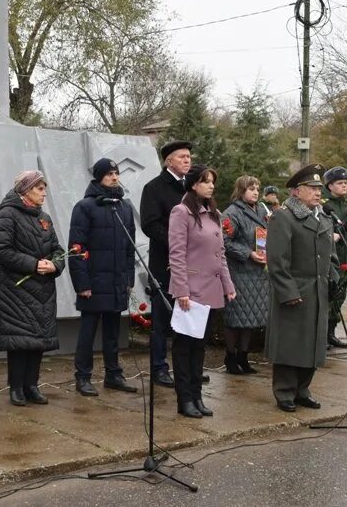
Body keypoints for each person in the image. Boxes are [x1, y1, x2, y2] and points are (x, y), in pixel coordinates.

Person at [265, 163, 336, 413]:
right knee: (290, 342)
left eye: (319, 188)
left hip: (319, 289)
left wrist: (334, 279)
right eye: (311, 187)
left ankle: (302, 389)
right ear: (296, 191)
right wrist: (288, 291)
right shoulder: (283, 217)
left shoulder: (324, 217)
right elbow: (276, 260)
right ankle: (284, 391)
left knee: (313, 341)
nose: (318, 192)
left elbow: (330, 256)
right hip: (296, 289)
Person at [0, 171, 65, 406]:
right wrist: (34, 264)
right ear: (25, 191)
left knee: (38, 340)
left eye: (44, 188)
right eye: (39, 188)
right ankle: (16, 388)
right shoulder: (8, 215)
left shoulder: (44, 218)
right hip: (15, 290)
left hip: (42, 290)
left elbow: (57, 248)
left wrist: (55, 264)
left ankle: (32, 385)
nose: (44, 193)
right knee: (19, 340)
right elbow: (2, 250)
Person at [168, 165, 236, 418]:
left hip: (211, 290)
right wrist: (181, 289)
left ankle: (197, 396)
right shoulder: (181, 212)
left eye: (212, 182)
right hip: (191, 291)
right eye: (205, 181)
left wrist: (228, 286)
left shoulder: (213, 213)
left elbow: (221, 256)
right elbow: (176, 254)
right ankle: (184, 398)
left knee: (199, 348)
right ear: (193, 184)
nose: (211, 186)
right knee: (184, 346)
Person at [68, 158, 137, 396]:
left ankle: (113, 375)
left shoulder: (124, 207)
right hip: (94, 283)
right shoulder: (85, 207)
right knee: (88, 332)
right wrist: (82, 284)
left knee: (112, 332)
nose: (114, 177)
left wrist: (129, 279)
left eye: (116, 173)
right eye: (109, 174)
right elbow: (76, 248)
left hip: (117, 281)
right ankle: (83, 376)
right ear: (99, 177)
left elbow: (130, 248)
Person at [140, 140, 193, 388]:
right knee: (162, 319)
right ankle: (159, 368)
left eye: (189, 157)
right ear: (168, 161)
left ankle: (186, 366)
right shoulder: (154, 187)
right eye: (182, 156)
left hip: (192, 264)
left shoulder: (192, 188)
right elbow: (150, 224)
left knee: (188, 317)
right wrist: (177, 241)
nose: (187, 160)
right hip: (165, 262)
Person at [221, 175, 270, 374]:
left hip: (258, 272)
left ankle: (244, 356)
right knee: (236, 317)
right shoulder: (232, 213)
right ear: (241, 191)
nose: (256, 192)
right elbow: (224, 240)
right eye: (251, 189)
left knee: (252, 317)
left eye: (257, 188)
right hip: (239, 272)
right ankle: (230, 356)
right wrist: (247, 253)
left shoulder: (262, 210)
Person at [321, 166, 347, 349]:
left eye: (345, 183)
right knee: (327, 299)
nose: (344, 186)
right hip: (330, 259)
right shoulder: (323, 205)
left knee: (339, 298)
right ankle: (321, 335)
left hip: (345, 258)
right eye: (339, 183)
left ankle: (331, 333)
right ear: (330, 186)